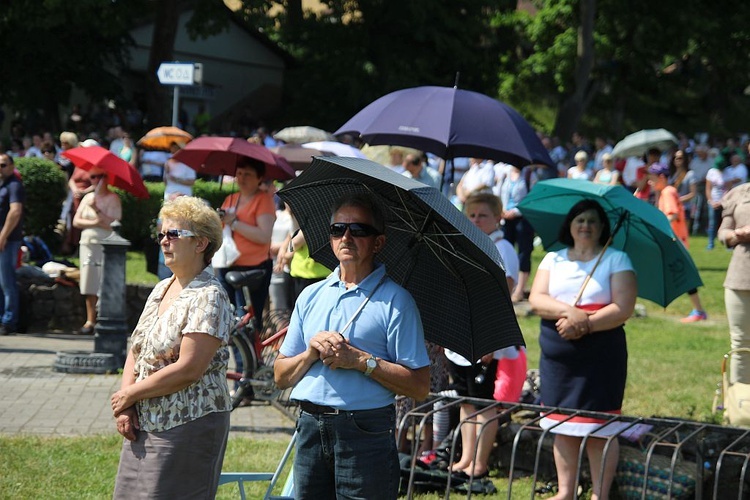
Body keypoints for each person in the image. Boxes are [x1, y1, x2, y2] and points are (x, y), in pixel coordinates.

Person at [274, 192, 430, 499]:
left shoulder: (397, 301)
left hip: (365, 431)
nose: (346, 236)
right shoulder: (310, 295)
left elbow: (419, 386)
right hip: (309, 425)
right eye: (337, 229)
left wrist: (359, 360)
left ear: (378, 242)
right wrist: (310, 355)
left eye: (358, 230)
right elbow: (280, 375)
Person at [111, 196, 233, 499]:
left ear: (201, 243)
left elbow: (189, 369)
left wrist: (130, 394)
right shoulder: (162, 287)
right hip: (144, 420)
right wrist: (127, 405)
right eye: (161, 234)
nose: (164, 241)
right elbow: (136, 349)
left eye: (173, 234)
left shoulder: (209, 296)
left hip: (187, 424)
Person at [529, 199, 637, 500]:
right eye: (580, 220)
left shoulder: (617, 259)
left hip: (601, 355)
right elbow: (537, 299)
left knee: (600, 426)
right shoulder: (553, 259)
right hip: (558, 357)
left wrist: (584, 323)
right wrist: (570, 312)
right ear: (570, 226)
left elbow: (623, 307)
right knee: (562, 424)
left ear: (602, 227)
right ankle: (566, 492)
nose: (585, 225)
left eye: (592, 220)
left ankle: (599, 495)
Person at [444, 192, 524, 479]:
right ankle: (466, 458)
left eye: (482, 215)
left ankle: (480, 461)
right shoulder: (466, 245)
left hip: (484, 336)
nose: (476, 220)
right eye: (471, 215)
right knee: (466, 400)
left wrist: (488, 338)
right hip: (462, 335)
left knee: (484, 403)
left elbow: (500, 295)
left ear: (498, 217)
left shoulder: (502, 249)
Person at [218, 158, 275, 329]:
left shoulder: (263, 200)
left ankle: (250, 354)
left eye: (248, 174)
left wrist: (234, 222)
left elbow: (264, 236)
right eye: (239, 173)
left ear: (259, 178)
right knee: (229, 316)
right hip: (227, 264)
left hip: (254, 269)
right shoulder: (231, 198)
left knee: (248, 320)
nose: (242, 178)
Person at [648, 163, 707, 322]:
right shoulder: (668, 191)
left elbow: (672, 215)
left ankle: (699, 311)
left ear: (661, 177)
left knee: (685, 276)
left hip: (675, 241)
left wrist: (657, 228)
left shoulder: (667, 192)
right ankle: (698, 311)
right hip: (676, 241)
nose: (649, 182)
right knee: (681, 275)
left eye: (652, 179)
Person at [72, 167, 122, 335]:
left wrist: (96, 210)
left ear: (106, 178)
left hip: (105, 245)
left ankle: (103, 318)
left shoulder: (113, 198)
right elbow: (76, 222)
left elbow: (113, 225)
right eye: (92, 177)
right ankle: (90, 320)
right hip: (87, 243)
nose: (95, 180)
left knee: (102, 280)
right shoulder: (88, 197)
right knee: (88, 282)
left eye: (99, 176)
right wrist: (95, 221)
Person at [719, 182, 750, 386]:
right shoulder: (739, 193)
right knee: (741, 344)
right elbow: (723, 232)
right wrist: (735, 235)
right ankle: (741, 409)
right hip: (741, 277)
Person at [499, 164, 535, 302]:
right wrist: (502, 211)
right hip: (506, 219)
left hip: (523, 219)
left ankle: (519, 290)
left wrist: (515, 211)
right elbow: (500, 193)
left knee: (523, 252)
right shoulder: (505, 173)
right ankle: (507, 287)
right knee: (506, 251)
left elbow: (531, 199)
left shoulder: (529, 175)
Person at [0, 154, 24, 335]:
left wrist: (3, 235)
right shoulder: (3, 185)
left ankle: (9, 321)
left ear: (11, 166)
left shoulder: (14, 185)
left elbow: (15, 212)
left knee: (7, 281)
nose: (0, 168)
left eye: (3, 165)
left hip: (8, 240)